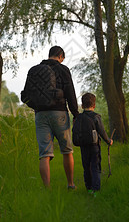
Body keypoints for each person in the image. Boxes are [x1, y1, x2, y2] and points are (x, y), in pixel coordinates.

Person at [33, 46, 79, 188]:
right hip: (59, 113)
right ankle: (70, 184)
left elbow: (30, 92)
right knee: (67, 150)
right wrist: (75, 113)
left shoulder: (36, 70)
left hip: (40, 114)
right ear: (60, 56)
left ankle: (47, 188)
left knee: (44, 154)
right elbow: (70, 92)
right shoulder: (63, 69)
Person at [77, 93, 113, 196]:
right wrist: (108, 141)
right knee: (95, 167)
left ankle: (88, 189)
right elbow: (102, 131)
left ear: (82, 105)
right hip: (94, 147)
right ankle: (96, 190)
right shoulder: (96, 117)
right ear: (94, 105)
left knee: (86, 167)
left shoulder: (79, 117)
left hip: (83, 146)